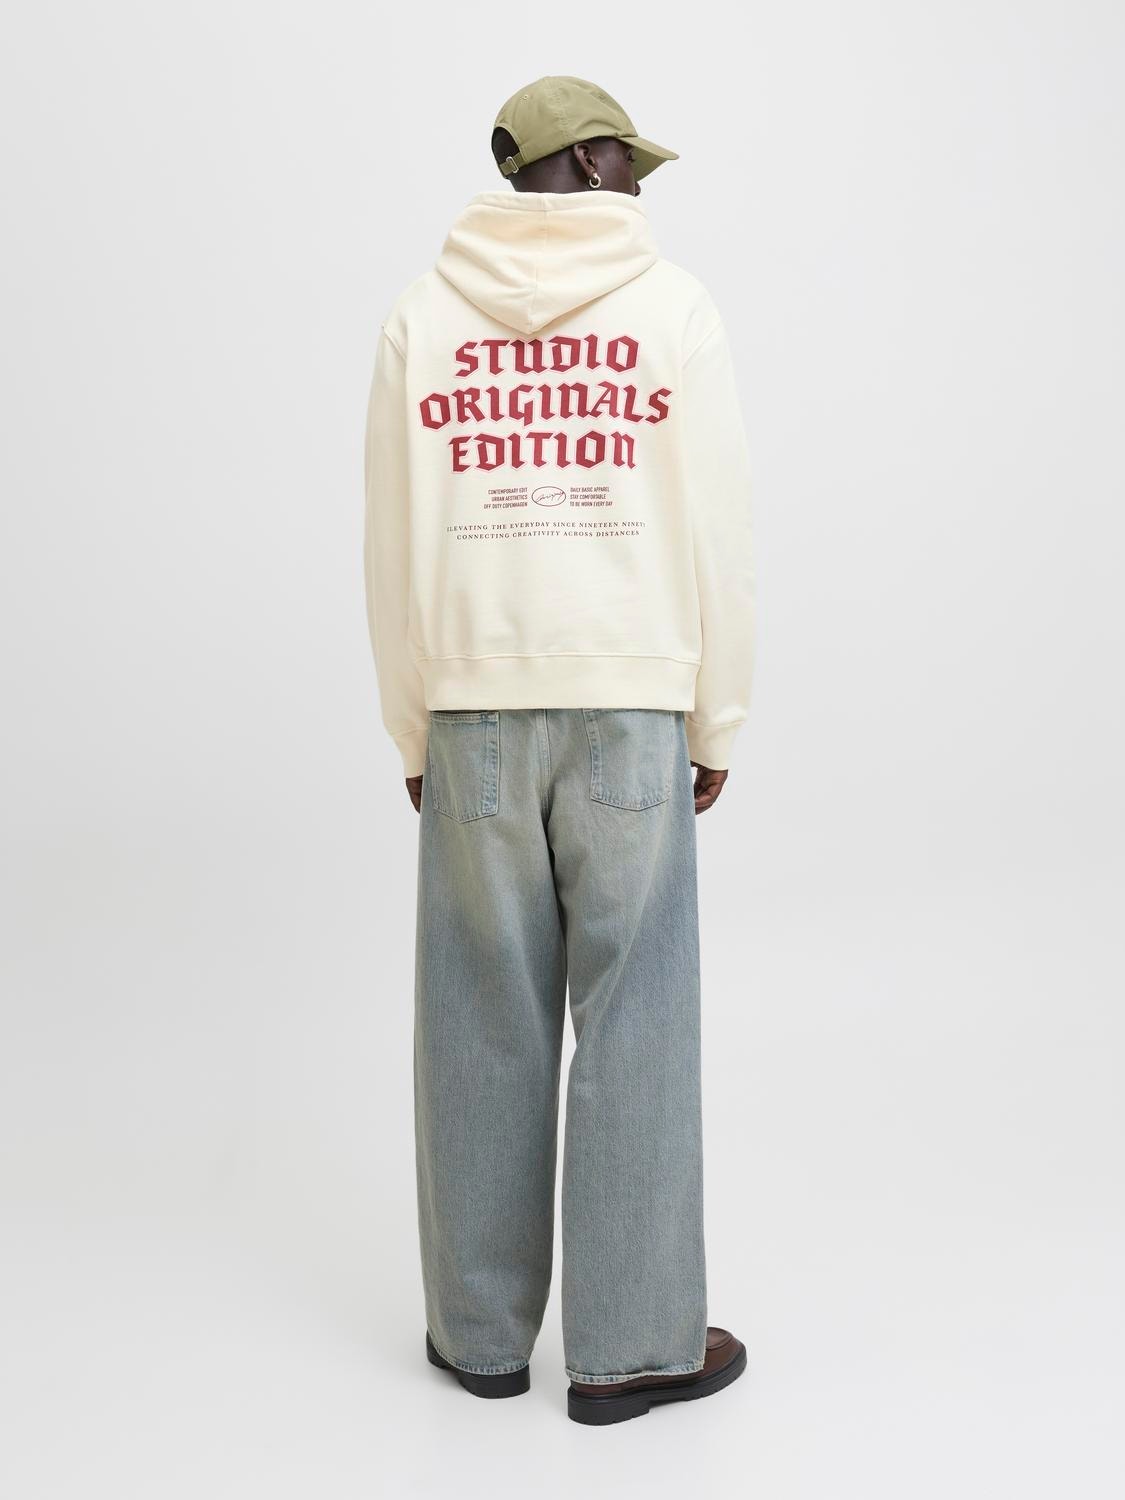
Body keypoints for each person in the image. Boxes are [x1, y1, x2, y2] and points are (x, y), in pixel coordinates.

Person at [363, 75, 755, 1426]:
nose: (638, 181)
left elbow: (389, 541)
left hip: (471, 709)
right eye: (627, 160)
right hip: (629, 704)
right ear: (587, 160)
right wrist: (718, 711)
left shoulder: (421, 317)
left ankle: (478, 1338)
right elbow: (717, 530)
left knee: (477, 1021)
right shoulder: (673, 309)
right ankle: (632, 1351)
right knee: (636, 1020)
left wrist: (411, 720)